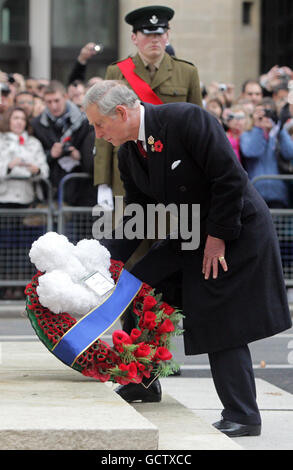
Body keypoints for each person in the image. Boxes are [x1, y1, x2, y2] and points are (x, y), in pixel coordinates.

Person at [83, 80, 292, 438]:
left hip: (234, 230)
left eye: (100, 125)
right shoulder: (128, 153)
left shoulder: (186, 119)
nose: (99, 134)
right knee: (138, 285)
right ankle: (142, 381)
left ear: (121, 112)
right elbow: (138, 213)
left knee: (218, 316)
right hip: (191, 233)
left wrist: (218, 238)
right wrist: (99, 258)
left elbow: (229, 178)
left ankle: (243, 414)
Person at [94, 5, 202, 208]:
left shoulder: (187, 72)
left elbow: (199, 128)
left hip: (174, 169)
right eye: (147, 33)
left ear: (167, 35)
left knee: (173, 236)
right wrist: (103, 182)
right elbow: (103, 128)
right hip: (128, 170)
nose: (155, 40)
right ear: (134, 37)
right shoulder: (117, 73)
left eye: (160, 34)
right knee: (131, 235)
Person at [31, 80, 96, 206]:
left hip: (79, 186)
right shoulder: (36, 124)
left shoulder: (85, 121)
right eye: (48, 102)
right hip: (50, 186)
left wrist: (79, 155)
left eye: (56, 100)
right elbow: (33, 154)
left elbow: (92, 153)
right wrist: (51, 154)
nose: (53, 106)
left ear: (65, 97)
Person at [240, 101, 290, 208]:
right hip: (255, 195)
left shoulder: (278, 134)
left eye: (268, 113)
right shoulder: (247, 134)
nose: (265, 117)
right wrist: (258, 128)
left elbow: (290, 153)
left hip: (278, 194)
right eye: (260, 114)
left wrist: (279, 128)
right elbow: (250, 151)